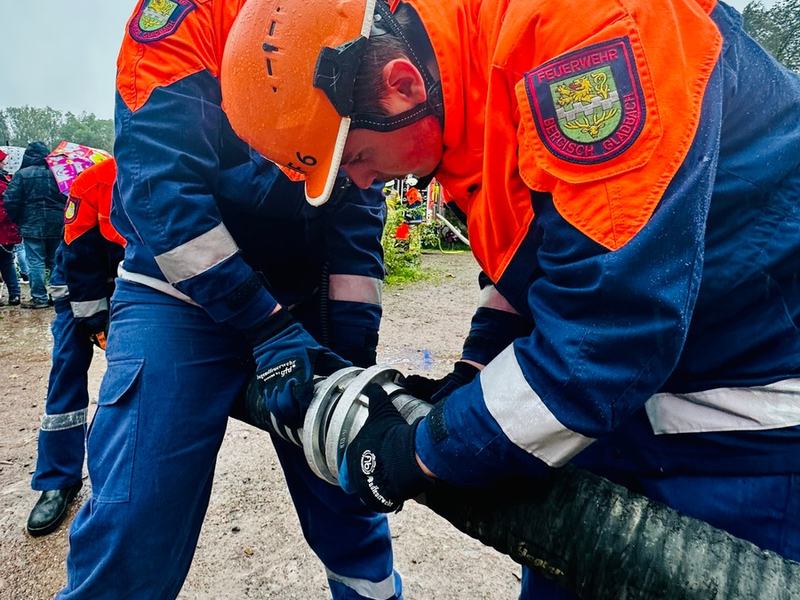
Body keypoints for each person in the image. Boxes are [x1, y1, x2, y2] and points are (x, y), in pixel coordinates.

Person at [220, 1, 800, 598]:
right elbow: (548, 250)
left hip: (739, 426)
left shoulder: (589, 41)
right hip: (612, 414)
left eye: (359, 158)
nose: (363, 185)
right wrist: (469, 374)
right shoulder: (466, 81)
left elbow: (605, 335)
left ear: (401, 85)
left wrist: (415, 452)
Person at [56, 1, 401, 599]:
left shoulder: (357, 10)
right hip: (177, 289)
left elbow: (357, 186)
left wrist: (346, 354)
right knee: (136, 518)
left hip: (303, 289)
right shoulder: (185, 14)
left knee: (345, 493)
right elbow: (160, 187)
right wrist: (264, 326)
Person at [26, 158, 124, 537]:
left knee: (133, 373)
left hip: (133, 285)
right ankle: (58, 478)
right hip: (79, 288)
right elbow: (80, 263)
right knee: (67, 366)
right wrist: (96, 324)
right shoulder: (92, 183)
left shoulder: (174, 170)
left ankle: (121, 479)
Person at [4, 141, 65, 309]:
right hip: (57, 223)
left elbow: (10, 199)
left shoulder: (22, 174)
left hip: (31, 224)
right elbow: (68, 196)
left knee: (35, 262)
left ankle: (40, 298)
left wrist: (18, 219)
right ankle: (59, 296)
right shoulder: (58, 173)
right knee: (55, 261)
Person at [0, 149, 22, 306]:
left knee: (7, 262)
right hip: (5, 229)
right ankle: (14, 294)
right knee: (7, 263)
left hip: (5, 230)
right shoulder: (5, 182)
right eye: (2, 161)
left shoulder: (6, 180)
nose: (5, 163)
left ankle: (14, 293)